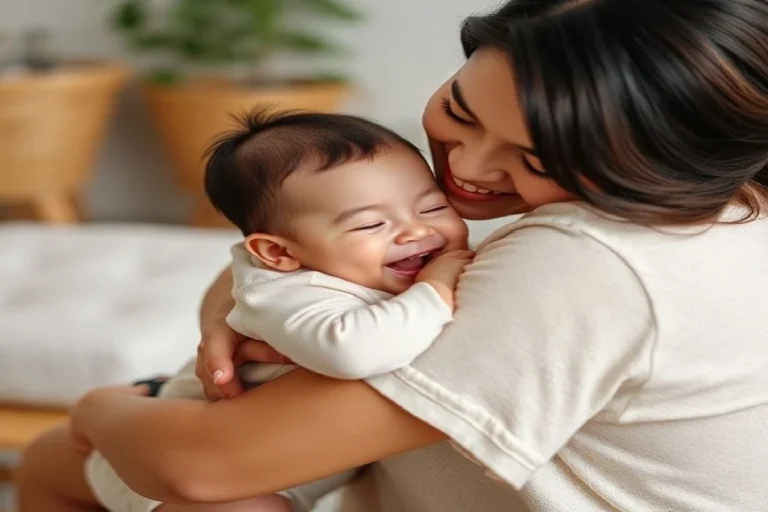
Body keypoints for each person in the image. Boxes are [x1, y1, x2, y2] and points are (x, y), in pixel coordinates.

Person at [17, 0, 768, 511]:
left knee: (63, 461)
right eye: (461, 109)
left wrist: (99, 406)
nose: (466, 170)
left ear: (654, 163)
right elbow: (294, 251)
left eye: (533, 159)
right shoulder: (711, 202)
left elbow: (206, 465)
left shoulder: (593, 264)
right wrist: (232, 305)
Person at [83, 110, 471, 512]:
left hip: (268, 472)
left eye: (431, 208)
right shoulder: (289, 293)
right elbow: (352, 351)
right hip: (170, 462)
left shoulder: (351, 265)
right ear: (278, 253)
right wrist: (436, 288)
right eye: (370, 225)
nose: (416, 231)